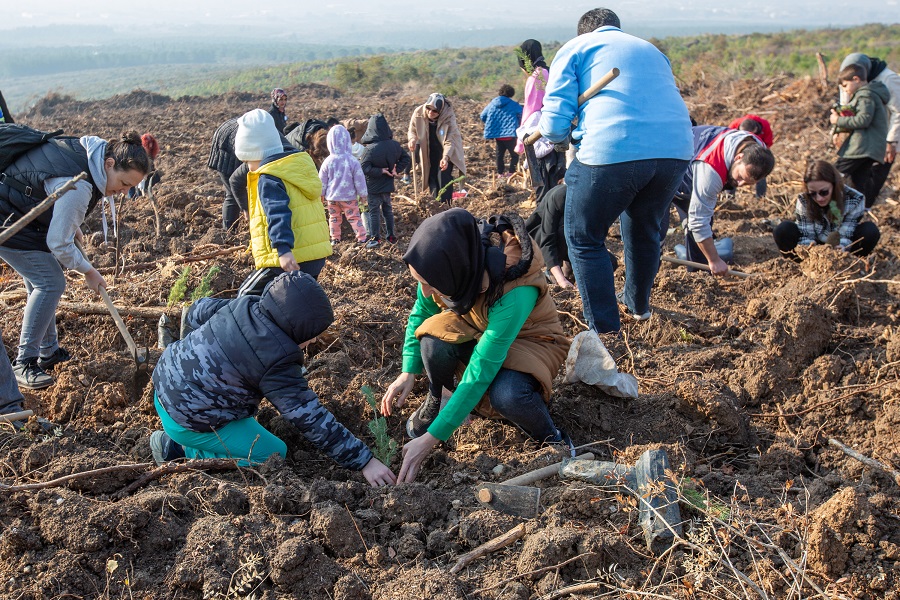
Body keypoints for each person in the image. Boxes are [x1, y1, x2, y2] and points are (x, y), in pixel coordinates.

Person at [150, 271, 396, 487]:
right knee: (273, 454)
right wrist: (364, 461)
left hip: (162, 382)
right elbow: (310, 417)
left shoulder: (244, 305)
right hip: (185, 421)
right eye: (312, 336)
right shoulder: (277, 360)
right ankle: (178, 450)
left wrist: (190, 356)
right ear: (297, 330)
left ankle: (187, 434)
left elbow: (196, 311)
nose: (312, 343)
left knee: (244, 408)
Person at [380, 208, 572, 483]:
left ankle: (553, 439)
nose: (424, 291)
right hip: (479, 328)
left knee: (507, 395)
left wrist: (432, 439)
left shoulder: (515, 288)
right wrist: (408, 371)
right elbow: (420, 313)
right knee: (432, 341)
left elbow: (482, 366)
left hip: (532, 341)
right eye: (420, 282)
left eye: (429, 284)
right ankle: (442, 398)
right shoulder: (445, 270)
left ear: (457, 272)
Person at [538, 8, 694, 333]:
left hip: (612, 149)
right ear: (618, 29)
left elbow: (552, 126)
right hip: (675, 151)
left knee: (583, 237)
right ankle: (638, 306)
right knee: (644, 229)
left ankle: (605, 334)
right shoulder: (653, 51)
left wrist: (561, 134)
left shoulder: (576, 48)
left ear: (584, 32)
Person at [0, 131, 150, 388]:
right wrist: (88, 271)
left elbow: (50, 187)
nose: (124, 192)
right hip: (7, 219)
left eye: (130, 188)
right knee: (50, 282)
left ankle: (48, 352)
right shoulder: (80, 186)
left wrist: (68, 221)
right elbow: (58, 243)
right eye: (124, 183)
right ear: (110, 164)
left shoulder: (91, 150)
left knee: (41, 281)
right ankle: (24, 363)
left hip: (20, 209)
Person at [233, 109, 331, 297]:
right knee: (294, 301)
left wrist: (283, 250)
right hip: (315, 256)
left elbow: (278, 213)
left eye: (248, 161)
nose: (248, 167)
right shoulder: (298, 166)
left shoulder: (269, 177)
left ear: (257, 152)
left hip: (287, 257)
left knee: (245, 295)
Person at [668, 125, 775, 274]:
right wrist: (714, 261)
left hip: (694, 153)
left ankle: (698, 274)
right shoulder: (711, 171)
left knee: (699, 223)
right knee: (661, 228)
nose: (740, 184)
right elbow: (698, 222)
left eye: (748, 183)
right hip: (670, 165)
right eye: (740, 178)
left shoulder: (758, 149)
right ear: (738, 157)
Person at [773, 160, 880, 259]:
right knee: (783, 229)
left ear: (834, 185)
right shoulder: (804, 199)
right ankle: (798, 267)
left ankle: (851, 264)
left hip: (841, 245)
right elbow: (806, 233)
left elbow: (847, 233)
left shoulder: (855, 199)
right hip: (814, 247)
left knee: (870, 231)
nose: (819, 198)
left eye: (824, 192)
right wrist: (812, 251)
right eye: (813, 193)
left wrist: (841, 248)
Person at [525, 183, 617, 289]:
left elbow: (595, 239)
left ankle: (569, 271)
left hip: (573, 239)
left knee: (610, 263)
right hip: (542, 238)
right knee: (564, 230)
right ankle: (552, 273)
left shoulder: (599, 201)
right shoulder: (560, 196)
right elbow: (547, 239)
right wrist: (561, 279)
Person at [839, 53, 900, 204]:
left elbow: (898, 111)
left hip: (883, 138)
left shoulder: (888, 79)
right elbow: (845, 104)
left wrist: (891, 141)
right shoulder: (852, 78)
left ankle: (862, 212)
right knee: (856, 180)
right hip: (860, 139)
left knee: (873, 179)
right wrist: (840, 130)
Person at [830, 63, 890, 208]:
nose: (845, 90)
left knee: (831, 174)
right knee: (859, 182)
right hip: (871, 148)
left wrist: (838, 120)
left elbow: (863, 120)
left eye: (845, 85)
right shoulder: (872, 94)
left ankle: (826, 210)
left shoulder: (865, 95)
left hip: (861, 147)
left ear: (856, 79)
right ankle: (858, 212)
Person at [360, 114, 411, 249]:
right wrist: (396, 170)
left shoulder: (369, 150)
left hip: (373, 187)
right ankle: (391, 235)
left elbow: (364, 167)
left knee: (374, 212)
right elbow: (406, 159)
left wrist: (380, 171)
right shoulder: (394, 146)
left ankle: (376, 238)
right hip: (388, 185)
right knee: (388, 210)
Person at [407, 93, 465, 205]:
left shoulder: (448, 117)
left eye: (434, 111)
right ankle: (435, 204)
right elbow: (412, 130)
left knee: (443, 176)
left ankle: (446, 205)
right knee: (431, 176)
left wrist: (446, 157)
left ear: (440, 110)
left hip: (446, 149)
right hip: (428, 148)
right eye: (428, 108)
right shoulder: (418, 113)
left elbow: (450, 140)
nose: (430, 113)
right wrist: (412, 139)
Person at [319, 125, 368, 244]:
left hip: (332, 198)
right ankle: (362, 237)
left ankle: (335, 238)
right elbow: (359, 179)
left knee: (334, 218)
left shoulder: (328, 161)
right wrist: (363, 194)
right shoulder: (352, 160)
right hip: (349, 197)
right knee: (354, 217)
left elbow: (322, 180)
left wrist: (321, 194)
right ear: (347, 141)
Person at [207, 117, 244, 230]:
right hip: (226, 153)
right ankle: (228, 231)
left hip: (237, 148)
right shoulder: (242, 140)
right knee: (232, 195)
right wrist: (246, 208)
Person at [515, 39, 549, 155]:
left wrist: (520, 144)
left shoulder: (537, 77)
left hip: (543, 136)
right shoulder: (550, 71)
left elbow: (530, 112)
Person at [480, 84, 523, 175]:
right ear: (511, 93)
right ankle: (511, 172)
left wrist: (491, 124)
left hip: (498, 135)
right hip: (511, 134)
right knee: (514, 155)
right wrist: (518, 124)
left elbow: (483, 116)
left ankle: (500, 173)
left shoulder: (492, 103)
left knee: (499, 155)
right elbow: (522, 114)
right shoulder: (513, 104)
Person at [727, 114, 773, 197]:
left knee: (760, 172)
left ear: (756, 130)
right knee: (733, 172)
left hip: (758, 153)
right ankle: (729, 196)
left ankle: (760, 197)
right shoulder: (734, 125)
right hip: (738, 152)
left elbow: (768, 143)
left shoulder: (765, 125)